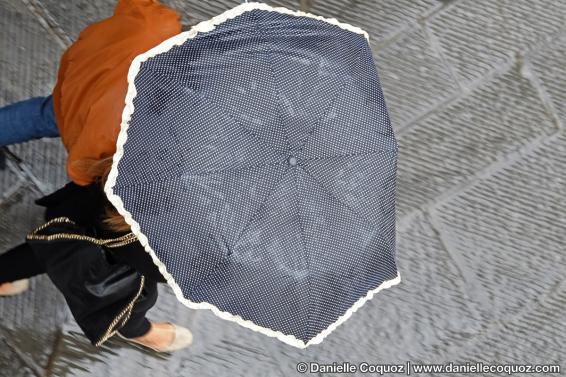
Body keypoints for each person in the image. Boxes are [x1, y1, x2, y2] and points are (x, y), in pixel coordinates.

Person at [0, 0, 195, 353]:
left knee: (43, 114)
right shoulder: (161, 221)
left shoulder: (154, 27)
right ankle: (137, 331)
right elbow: (145, 274)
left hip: (76, 95)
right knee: (106, 280)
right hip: (91, 210)